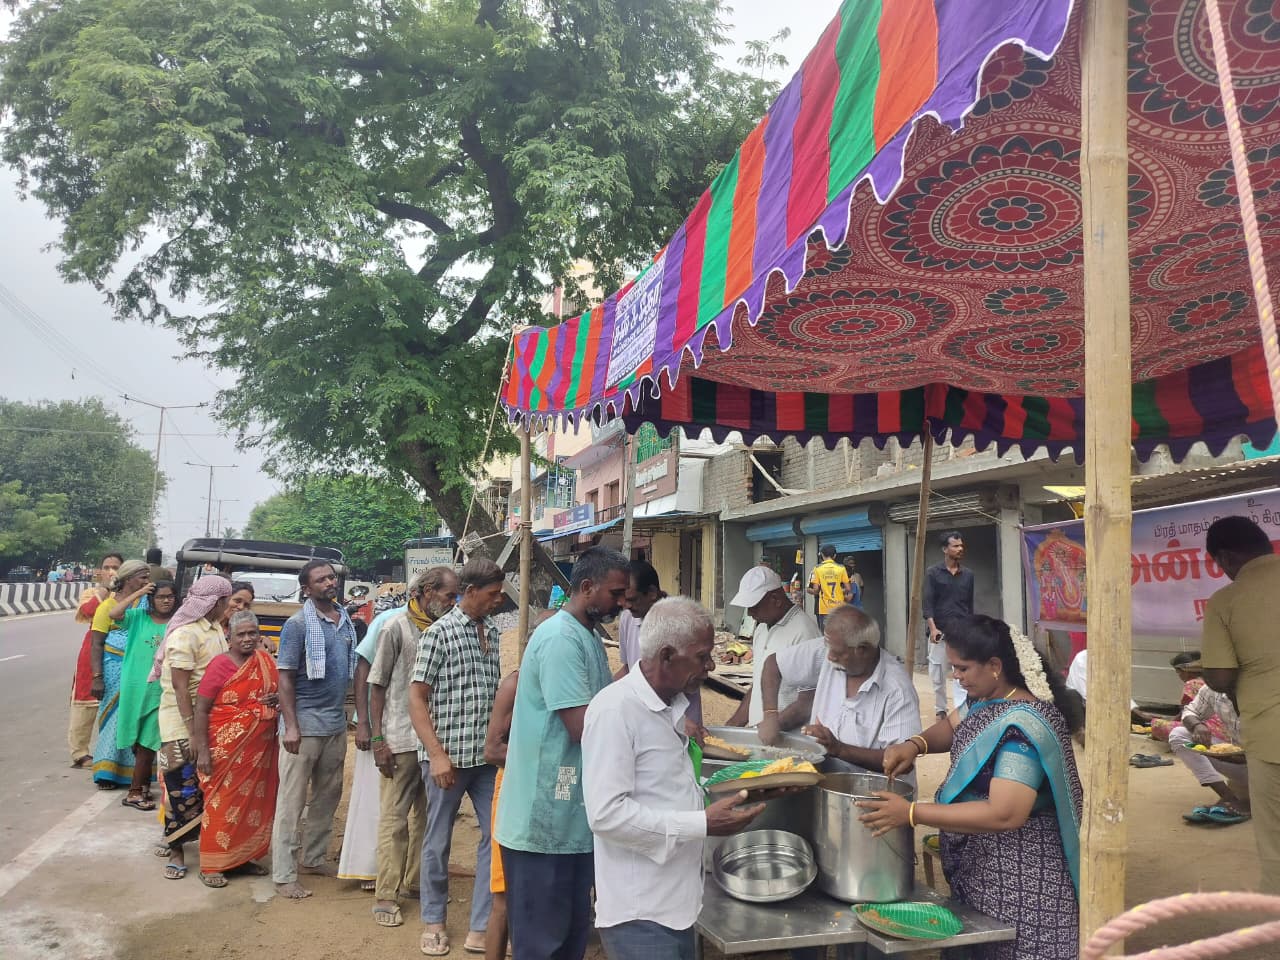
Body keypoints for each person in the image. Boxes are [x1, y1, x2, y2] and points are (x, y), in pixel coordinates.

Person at [861, 615, 1084, 960]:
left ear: (994, 666)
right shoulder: (988, 699)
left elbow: (1005, 812)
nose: (956, 676)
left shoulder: (1023, 727)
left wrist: (909, 812)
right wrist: (916, 744)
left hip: (1024, 882)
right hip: (984, 869)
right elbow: (952, 726)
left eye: (963, 668)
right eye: (953, 667)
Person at [583, 597, 762, 960]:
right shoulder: (615, 711)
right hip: (641, 915)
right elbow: (605, 815)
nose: (710, 666)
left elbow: (668, 791)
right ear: (666, 656)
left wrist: (759, 792)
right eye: (702, 656)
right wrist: (702, 823)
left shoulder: (670, 709)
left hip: (678, 906)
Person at [495, 547, 630, 960]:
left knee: (570, 937)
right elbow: (583, 727)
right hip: (542, 825)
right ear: (586, 587)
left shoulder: (586, 636)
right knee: (542, 945)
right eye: (616, 592)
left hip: (571, 821)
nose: (621, 602)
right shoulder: (558, 639)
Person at [410, 558, 505, 956]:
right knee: (437, 841)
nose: (498, 601)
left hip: (485, 760)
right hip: (446, 759)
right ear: (470, 592)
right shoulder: (439, 634)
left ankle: (481, 925)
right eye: (493, 594)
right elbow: (416, 697)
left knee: (495, 837)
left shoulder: (494, 633)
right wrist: (436, 755)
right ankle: (433, 920)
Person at [367, 566, 459, 928]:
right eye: (449, 596)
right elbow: (376, 686)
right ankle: (386, 893)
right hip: (400, 739)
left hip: (434, 741)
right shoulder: (395, 628)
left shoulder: (443, 630)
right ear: (428, 591)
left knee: (427, 819)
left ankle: (416, 883)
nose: (452, 603)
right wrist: (377, 740)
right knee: (395, 819)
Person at [757, 605, 921, 785]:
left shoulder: (897, 690)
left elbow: (901, 762)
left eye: (838, 653)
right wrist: (770, 714)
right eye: (829, 648)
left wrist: (839, 749)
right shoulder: (830, 648)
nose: (829, 657)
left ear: (863, 649)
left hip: (872, 799)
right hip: (822, 787)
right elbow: (773, 664)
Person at [1202, 516, 1280, 892]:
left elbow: (1218, 677)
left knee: (1276, 839)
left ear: (1227, 557)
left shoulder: (1226, 601)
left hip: (1271, 736)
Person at [272, 559, 358, 899]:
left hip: (335, 723)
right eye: (321, 580)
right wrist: (290, 726)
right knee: (291, 803)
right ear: (306, 589)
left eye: (331, 577)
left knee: (327, 797)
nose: (329, 583)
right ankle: (283, 874)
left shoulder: (345, 621)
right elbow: (285, 677)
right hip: (304, 726)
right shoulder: (297, 625)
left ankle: (313, 857)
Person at [192, 611, 280, 887]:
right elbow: (202, 709)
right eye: (240, 634)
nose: (247, 639)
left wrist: (277, 697)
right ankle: (212, 865)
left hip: (260, 751)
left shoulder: (265, 661)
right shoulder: (220, 665)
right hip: (225, 748)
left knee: (254, 803)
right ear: (229, 637)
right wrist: (203, 751)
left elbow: (280, 695)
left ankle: (242, 858)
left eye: (252, 633)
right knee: (223, 803)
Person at [155, 575, 233, 879]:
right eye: (225, 601)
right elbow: (179, 686)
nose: (227, 607)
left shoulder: (214, 630)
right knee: (179, 786)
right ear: (215, 603)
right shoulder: (185, 634)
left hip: (209, 718)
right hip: (180, 721)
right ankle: (176, 850)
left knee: (205, 786)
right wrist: (192, 730)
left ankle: (208, 846)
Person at [725, 565, 820, 729]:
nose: (749, 613)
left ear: (775, 599)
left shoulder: (804, 633)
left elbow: (809, 700)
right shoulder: (761, 629)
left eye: (754, 606)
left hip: (790, 742)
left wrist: (769, 727)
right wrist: (733, 726)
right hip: (762, 737)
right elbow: (758, 685)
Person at [112, 579, 179, 811]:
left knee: (148, 741)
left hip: (161, 689)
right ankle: (140, 786)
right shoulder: (138, 618)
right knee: (137, 739)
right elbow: (114, 612)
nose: (166, 600)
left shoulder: (178, 623)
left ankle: (135, 791)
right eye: (160, 597)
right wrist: (139, 593)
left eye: (170, 596)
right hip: (135, 686)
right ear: (151, 599)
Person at [615, 560, 703, 730]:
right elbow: (628, 668)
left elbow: (694, 676)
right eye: (624, 600)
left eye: (632, 599)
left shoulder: (685, 619)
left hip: (683, 722)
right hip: (642, 720)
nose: (626, 606)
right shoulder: (627, 617)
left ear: (652, 592)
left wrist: (683, 719)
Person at [88, 560, 151, 789]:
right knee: (113, 717)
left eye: (147, 577)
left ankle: (137, 772)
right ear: (127, 579)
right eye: (142, 577)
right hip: (113, 667)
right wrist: (97, 677)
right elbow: (96, 644)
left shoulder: (148, 604)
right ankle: (107, 771)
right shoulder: (108, 606)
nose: (147, 582)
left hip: (140, 670)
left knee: (136, 716)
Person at [1168, 680, 1249, 825]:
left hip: (1269, 768)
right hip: (1241, 764)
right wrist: (1197, 725)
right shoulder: (1214, 687)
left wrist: (1250, 758)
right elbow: (1190, 711)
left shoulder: (1267, 691)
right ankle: (1228, 797)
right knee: (1180, 735)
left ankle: (1248, 802)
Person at [68, 553, 121, 768]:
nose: (111, 571)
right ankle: (79, 753)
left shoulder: (129, 594)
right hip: (93, 649)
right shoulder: (92, 593)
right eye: (107, 567)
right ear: (99, 571)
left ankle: (110, 751)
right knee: (85, 699)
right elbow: (88, 611)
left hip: (120, 650)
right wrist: (105, 590)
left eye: (116, 567)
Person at [923, 530, 975, 719]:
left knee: (961, 672)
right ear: (945, 549)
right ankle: (940, 709)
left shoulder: (968, 575)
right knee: (937, 673)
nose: (960, 549)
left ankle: (961, 709)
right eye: (955, 546)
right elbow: (927, 603)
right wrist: (933, 628)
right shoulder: (933, 573)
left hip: (961, 633)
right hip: (940, 633)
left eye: (961, 545)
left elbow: (970, 605)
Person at [807, 544, 852, 628]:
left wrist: (810, 590)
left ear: (822, 555)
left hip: (824, 609)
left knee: (826, 636)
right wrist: (843, 593)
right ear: (834, 555)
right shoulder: (841, 568)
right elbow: (848, 589)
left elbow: (816, 590)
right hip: (839, 608)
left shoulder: (817, 569)